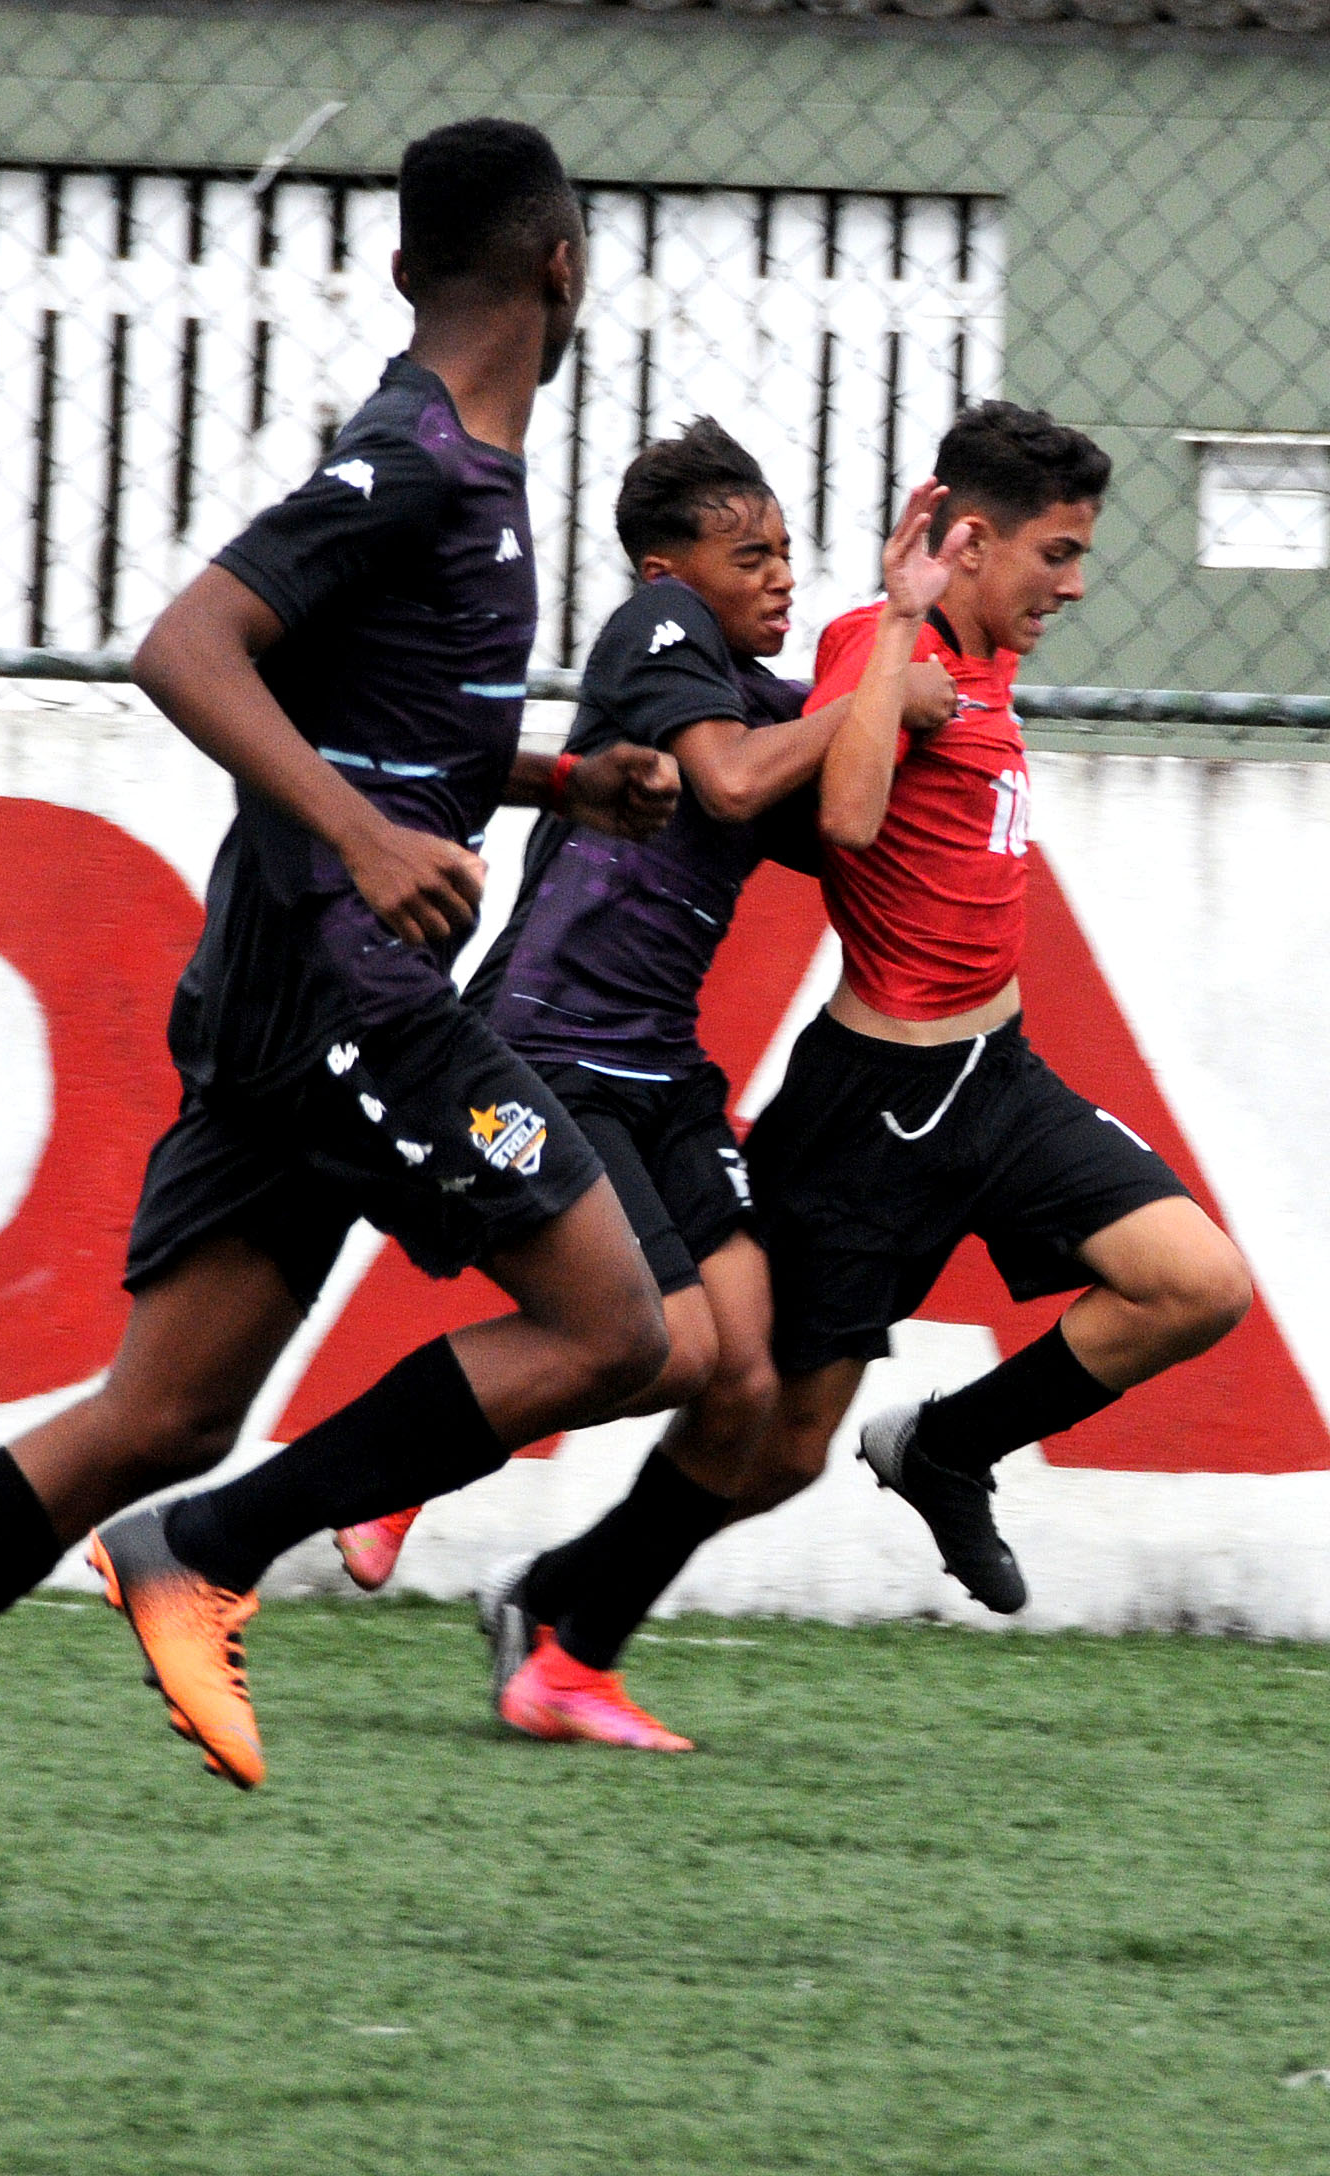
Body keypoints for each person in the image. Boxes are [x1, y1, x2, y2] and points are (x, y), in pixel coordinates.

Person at [0, 119, 683, 1931]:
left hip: (297, 990)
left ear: (408, 272)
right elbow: (188, 647)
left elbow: (363, 704)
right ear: (564, 267)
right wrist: (375, 840)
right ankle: (210, 1558)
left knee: (157, 1410)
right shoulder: (418, 462)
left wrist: (551, 780)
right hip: (346, 997)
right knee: (624, 1324)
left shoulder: (463, 465)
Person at [326, 418, 955, 1749]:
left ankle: (569, 1651)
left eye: (789, 554)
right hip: (550, 1054)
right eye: (751, 556)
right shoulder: (655, 637)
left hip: (665, 1072)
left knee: (746, 1382)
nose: (781, 578)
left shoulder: (760, 693)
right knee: (663, 1343)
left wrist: (915, 645)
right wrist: (874, 697)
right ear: (673, 570)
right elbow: (726, 785)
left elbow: (842, 795)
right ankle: (393, 1466)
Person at [746, 401, 1257, 1616]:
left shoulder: (991, 655)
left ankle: (947, 1446)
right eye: (1057, 554)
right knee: (747, 1419)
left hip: (998, 1076)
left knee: (1197, 1284)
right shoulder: (883, 641)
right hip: (875, 1108)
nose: (1075, 584)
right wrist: (904, 628)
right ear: (967, 542)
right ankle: (457, 1485)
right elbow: (846, 820)